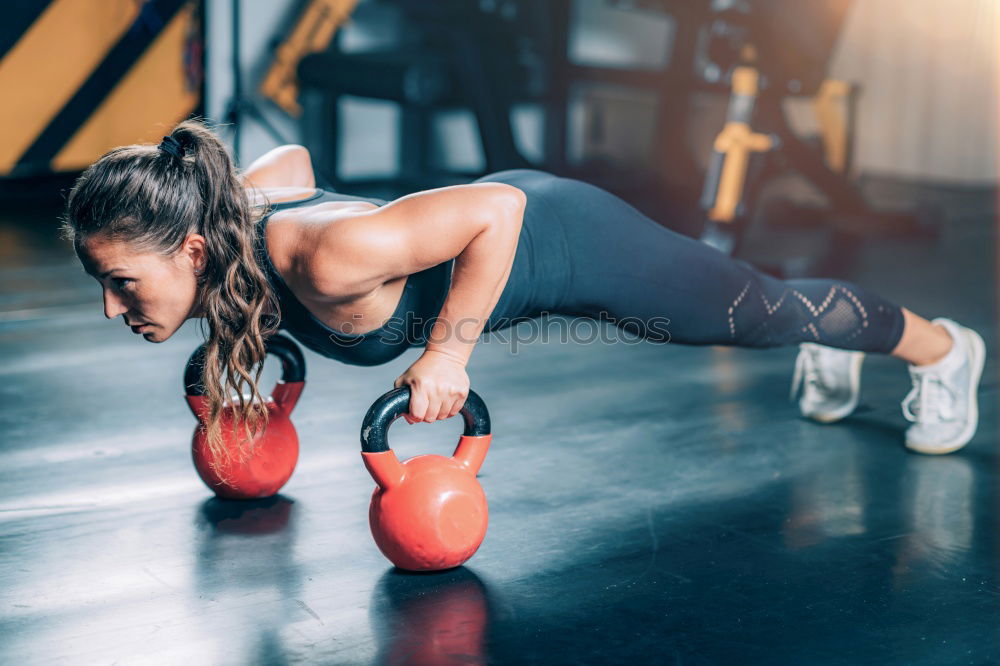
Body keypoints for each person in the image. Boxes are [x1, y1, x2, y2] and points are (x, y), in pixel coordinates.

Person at [62, 119, 985, 459]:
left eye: (120, 281)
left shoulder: (324, 258)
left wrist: (448, 352)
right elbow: (288, 159)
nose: (112, 307)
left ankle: (944, 349)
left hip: (562, 238)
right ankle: (831, 343)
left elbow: (497, 211)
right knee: (762, 314)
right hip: (501, 234)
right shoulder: (238, 226)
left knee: (757, 313)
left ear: (188, 248)